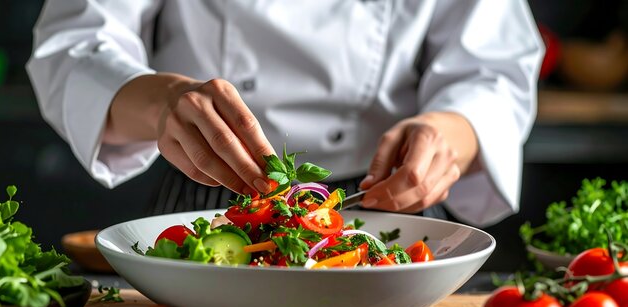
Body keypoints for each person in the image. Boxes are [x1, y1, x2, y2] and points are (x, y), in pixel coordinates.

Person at [26, 0, 543, 227]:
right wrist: (163, 102)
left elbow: (493, 68)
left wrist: (450, 132)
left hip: (390, 205)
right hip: (210, 198)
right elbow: (74, 43)